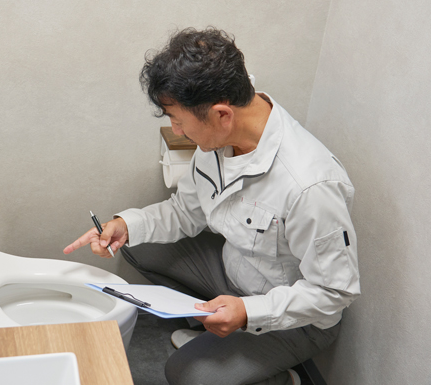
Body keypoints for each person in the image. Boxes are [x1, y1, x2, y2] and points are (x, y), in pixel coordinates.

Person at [63, 27, 360, 385]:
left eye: (178, 121)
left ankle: (271, 374)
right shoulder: (223, 131)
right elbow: (185, 212)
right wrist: (126, 226)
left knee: (187, 375)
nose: (176, 131)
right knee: (137, 243)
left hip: (294, 317)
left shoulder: (310, 185)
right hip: (233, 272)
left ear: (221, 115)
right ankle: (219, 336)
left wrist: (247, 312)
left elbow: (334, 292)